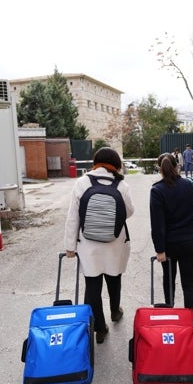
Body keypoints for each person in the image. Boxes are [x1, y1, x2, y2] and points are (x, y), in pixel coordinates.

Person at [64, 147, 135, 344]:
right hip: (115, 243)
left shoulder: (82, 182)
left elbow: (73, 217)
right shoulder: (122, 185)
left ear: (95, 162)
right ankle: (115, 311)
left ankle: (100, 327)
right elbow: (129, 212)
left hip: (88, 245)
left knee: (92, 286)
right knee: (114, 278)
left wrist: (70, 246)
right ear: (116, 164)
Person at [150, 152, 193, 327]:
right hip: (191, 243)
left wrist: (159, 250)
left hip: (169, 246)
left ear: (160, 169)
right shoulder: (191, 185)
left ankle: (170, 322)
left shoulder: (157, 190)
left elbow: (157, 224)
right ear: (177, 166)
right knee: (189, 285)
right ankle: (191, 326)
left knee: (169, 281)